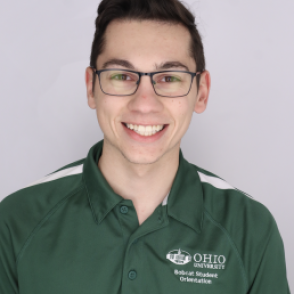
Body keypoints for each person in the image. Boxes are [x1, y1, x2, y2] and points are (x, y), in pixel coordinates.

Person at [0, 0, 290, 293]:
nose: (144, 104)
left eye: (169, 78)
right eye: (122, 76)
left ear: (201, 93)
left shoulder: (251, 230)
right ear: (91, 88)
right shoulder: (15, 221)